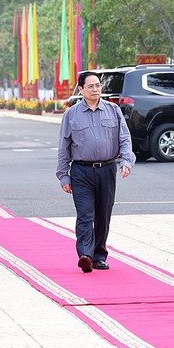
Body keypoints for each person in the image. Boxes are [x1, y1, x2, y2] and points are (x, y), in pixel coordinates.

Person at [56, 71, 136, 273]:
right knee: (85, 214)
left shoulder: (113, 110)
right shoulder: (71, 114)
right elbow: (63, 147)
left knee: (103, 215)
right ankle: (85, 255)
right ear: (81, 89)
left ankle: (99, 255)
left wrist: (126, 160)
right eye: (90, 86)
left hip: (107, 169)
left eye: (98, 86)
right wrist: (64, 174)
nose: (95, 89)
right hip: (81, 171)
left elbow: (125, 139)